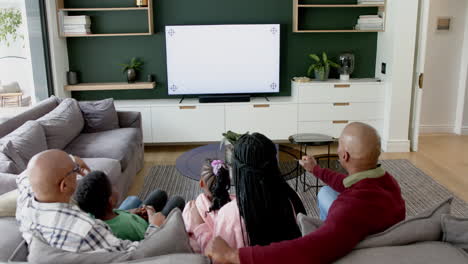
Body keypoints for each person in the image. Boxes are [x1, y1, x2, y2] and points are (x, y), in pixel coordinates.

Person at [205, 122, 406, 264]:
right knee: (326, 192)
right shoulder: (387, 183)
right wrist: (316, 170)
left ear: (343, 155)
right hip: (375, 232)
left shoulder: (349, 210)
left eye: (339, 145)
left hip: (353, 245)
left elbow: (307, 250)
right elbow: (347, 184)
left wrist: (235, 256)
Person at [16, 149, 166, 253]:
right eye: (74, 171)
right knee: (171, 203)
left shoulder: (26, 199)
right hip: (136, 235)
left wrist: (73, 161)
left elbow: (25, 175)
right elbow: (134, 254)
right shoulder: (84, 230)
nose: (78, 173)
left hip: (115, 217)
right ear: (64, 185)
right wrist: (154, 226)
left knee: (135, 199)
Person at [74, 170, 185, 242]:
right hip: (150, 228)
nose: (114, 186)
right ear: (111, 200)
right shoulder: (127, 227)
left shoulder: (95, 214)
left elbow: (114, 214)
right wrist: (153, 220)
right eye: (112, 186)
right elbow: (148, 242)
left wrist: (131, 212)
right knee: (177, 201)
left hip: (136, 218)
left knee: (159, 193)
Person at [183, 159, 238, 253]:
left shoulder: (191, 208)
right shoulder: (237, 205)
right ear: (227, 182)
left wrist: (199, 226)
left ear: (201, 183)